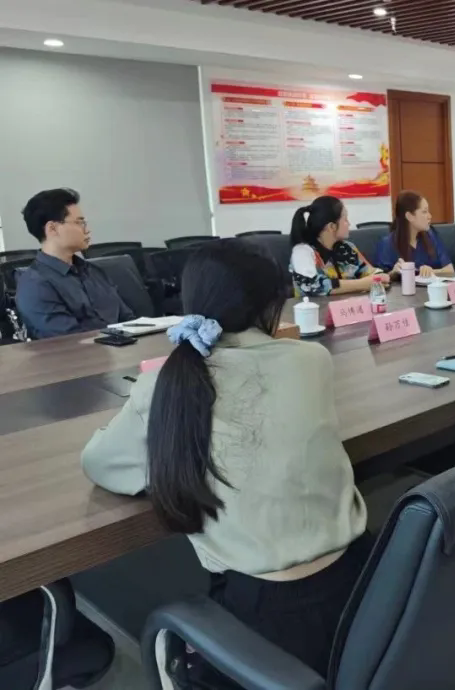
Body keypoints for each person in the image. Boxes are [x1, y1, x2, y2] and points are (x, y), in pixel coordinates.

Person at [81, 240, 370, 688]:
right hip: (365, 587)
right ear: (272, 306)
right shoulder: (312, 359)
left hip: (264, 619)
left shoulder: (165, 384)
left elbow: (101, 464)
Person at [15, 188, 135, 339]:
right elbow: (70, 339)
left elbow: (129, 320)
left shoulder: (93, 271)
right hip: (83, 353)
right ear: (52, 228)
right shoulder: (35, 285)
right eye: (80, 222)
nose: (87, 230)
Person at [289, 195, 384, 296]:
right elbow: (313, 286)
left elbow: (373, 273)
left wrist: (383, 276)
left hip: (350, 304)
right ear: (332, 227)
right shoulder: (302, 252)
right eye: (345, 219)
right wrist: (363, 284)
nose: (349, 224)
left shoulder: (347, 248)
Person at [374, 191, 453, 277]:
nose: (429, 216)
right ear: (409, 216)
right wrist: (393, 273)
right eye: (424, 212)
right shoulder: (387, 244)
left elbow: (450, 270)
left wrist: (431, 271)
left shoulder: (431, 235)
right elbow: (378, 279)